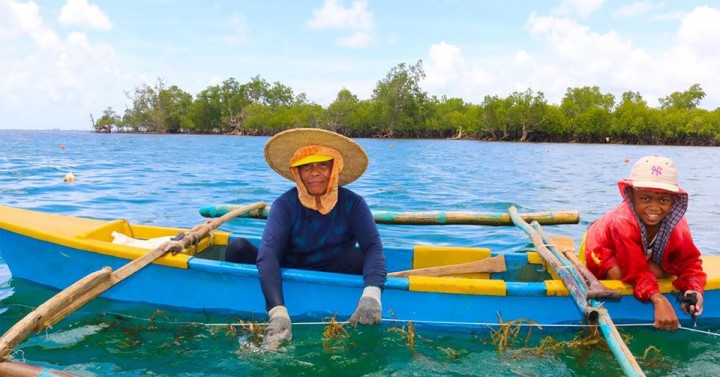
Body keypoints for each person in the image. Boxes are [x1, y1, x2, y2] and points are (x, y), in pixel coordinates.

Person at [225, 128, 387, 350]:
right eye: (307, 166)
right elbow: (269, 254)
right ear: (297, 173)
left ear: (335, 168)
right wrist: (277, 311)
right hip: (286, 267)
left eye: (323, 165)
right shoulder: (284, 205)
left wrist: (372, 294)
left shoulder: (354, 204)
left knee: (362, 256)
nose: (315, 172)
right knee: (237, 247)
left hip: (333, 267)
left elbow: (374, 248)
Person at [583, 155, 706, 331]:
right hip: (599, 246)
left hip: (638, 251)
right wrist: (658, 299)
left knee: (665, 271)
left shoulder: (678, 224)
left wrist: (693, 290)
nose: (654, 208)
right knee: (618, 273)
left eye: (663, 200)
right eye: (645, 198)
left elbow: (689, 262)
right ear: (631, 196)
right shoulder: (622, 221)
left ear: (673, 201)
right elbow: (635, 271)